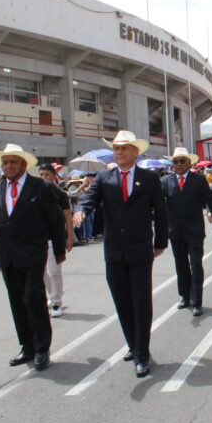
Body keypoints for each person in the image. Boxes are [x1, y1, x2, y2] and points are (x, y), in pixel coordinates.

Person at [0, 144, 66, 371]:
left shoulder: (40, 187)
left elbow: (55, 221)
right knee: (17, 302)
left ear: (23, 165)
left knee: (33, 299)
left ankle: (42, 348)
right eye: (5, 163)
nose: (8, 167)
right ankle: (27, 346)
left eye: (13, 162)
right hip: (8, 256)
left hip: (34, 254)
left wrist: (59, 250)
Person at [73, 130, 168, 378]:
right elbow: (88, 200)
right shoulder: (104, 177)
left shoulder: (149, 178)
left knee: (141, 301)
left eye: (124, 148)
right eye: (116, 148)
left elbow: (160, 211)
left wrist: (161, 241)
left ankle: (142, 354)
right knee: (122, 301)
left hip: (140, 250)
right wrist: (80, 211)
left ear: (135, 152)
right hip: (114, 251)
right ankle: (133, 344)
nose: (120, 152)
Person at [161, 147, 212, 316]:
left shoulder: (199, 180)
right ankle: (185, 297)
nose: (179, 164)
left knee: (195, 265)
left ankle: (197, 301)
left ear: (189, 163)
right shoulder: (165, 181)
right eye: (176, 161)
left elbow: (211, 201)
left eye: (182, 161)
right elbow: (158, 207)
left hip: (194, 231)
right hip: (175, 232)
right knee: (181, 265)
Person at [38, 164, 75, 316]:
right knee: (40, 272)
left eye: (47, 174)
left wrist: (70, 236)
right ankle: (53, 294)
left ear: (54, 176)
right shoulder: (34, 192)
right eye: (41, 174)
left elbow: (67, 216)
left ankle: (56, 303)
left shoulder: (60, 194)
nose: (44, 177)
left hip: (56, 238)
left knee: (54, 271)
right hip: (38, 238)